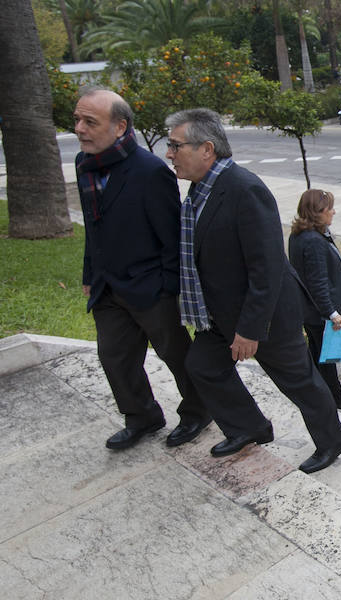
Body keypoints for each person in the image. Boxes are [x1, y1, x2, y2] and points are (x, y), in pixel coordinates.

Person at [165, 108, 341, 474]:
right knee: (202, 365)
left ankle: (333, 440)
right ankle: (249, 426)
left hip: (265, 316)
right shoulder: (200, 190)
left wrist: (250, 330)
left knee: (300, 384)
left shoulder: (244, 189)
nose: (169, 153)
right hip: (218, 313)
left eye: (175, 145)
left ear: (206, 149)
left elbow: (265, 268)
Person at [73, 87, 210, 450]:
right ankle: (142, 416)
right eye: (77, 120)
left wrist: (167, 289)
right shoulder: (83, 165)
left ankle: (198, 411)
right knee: (114, 358)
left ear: (120, 127)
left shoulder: (150, 172)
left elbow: (171, 237)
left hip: (151, 289)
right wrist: (90, 275)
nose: (80, 129)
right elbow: (94, 226)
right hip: (107, 286)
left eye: (90, 121)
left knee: (177, 356)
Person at [288, 189, 341, 413]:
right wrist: (332, 313)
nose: (333, 211)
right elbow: (317, 282)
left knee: (317, 353)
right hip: (320, 314)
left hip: (310, 312)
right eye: (329, 208)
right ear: (316, 212)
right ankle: (336, 399)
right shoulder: (313, 241)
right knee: (327, 358)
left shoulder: (303, 234)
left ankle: (322, 395)